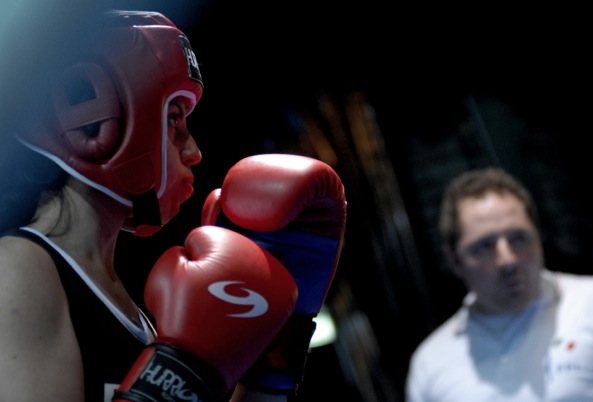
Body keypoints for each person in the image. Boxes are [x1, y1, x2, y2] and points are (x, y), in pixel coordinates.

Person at [0, 7, 346, 402]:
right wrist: (180, 371)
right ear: (93, 123)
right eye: (173, 119)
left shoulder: (133, 313)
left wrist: (274, 355)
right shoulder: (16, 268)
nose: (194, 150)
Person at [405, 166, 593, 402]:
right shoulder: (430, 363)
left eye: (519, 238)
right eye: (484, 246)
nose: (508, 260)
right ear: (454, 260)